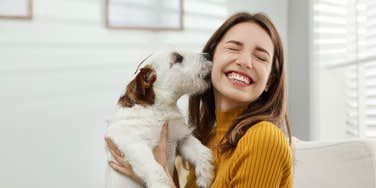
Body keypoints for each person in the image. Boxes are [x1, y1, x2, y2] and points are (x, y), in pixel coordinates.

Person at [106, 12, 293, 188]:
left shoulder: (264, 138)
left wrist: (158, 176)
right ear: (211, 58)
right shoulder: (209, 140)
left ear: (269, 81)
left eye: (260, 57)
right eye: (233, 48)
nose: (245, 61)